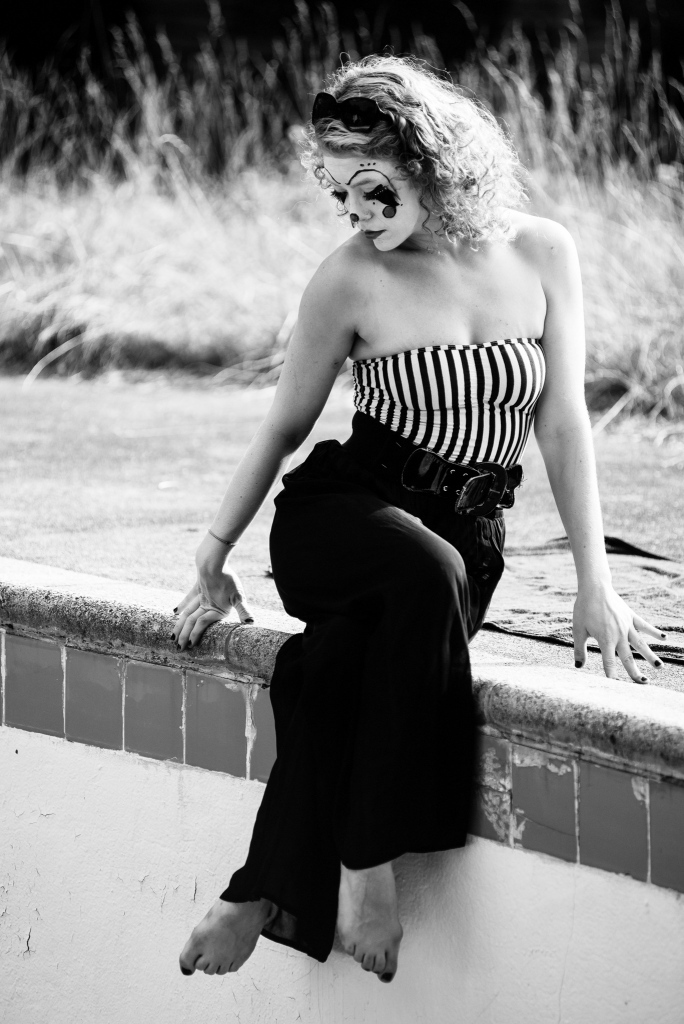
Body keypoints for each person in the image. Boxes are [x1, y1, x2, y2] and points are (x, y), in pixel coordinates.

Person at [173, 55, 665, 983]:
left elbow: (563, 423)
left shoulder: (543, 251)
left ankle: (258, 890)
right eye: (338, 193)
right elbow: (283, 427)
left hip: (466, 544)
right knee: (419, 573)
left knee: (338, 661)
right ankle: (366, 865)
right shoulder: (347, 278)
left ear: (432, 161)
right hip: (344, 515)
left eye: (371, 186)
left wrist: (595, 582)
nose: (356, 212)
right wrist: (212, 553)